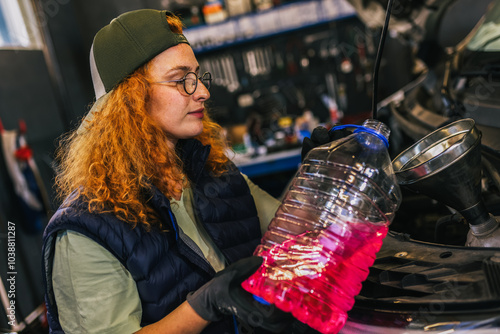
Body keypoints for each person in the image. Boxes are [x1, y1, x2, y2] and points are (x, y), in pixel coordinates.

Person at [41, 9, 294, 334]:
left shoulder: (215, 174)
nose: (202, 91)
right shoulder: (84, 230)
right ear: (130, 99)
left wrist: (318, 173)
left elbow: (290, 233)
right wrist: (202, 307)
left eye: (198, 77)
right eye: (181, 80)